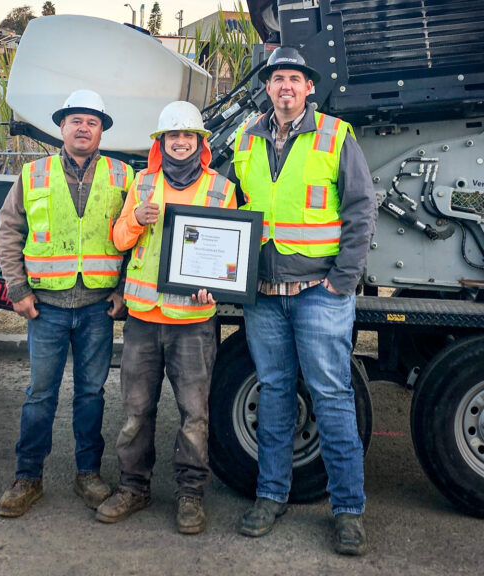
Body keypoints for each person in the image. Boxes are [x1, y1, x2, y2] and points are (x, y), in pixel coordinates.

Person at [230, 47, 377, 555]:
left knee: (332, 399)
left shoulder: (336, 135)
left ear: (308, 87)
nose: (285, 87)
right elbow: (227, 207)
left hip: (319, 293)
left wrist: (343, 279)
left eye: (294, 78)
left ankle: (348, 510)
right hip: (264, 297)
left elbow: (361, 209)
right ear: (268, 88)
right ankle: (270, 497)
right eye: (277, 79)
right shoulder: (246, 139)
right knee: (274, 395)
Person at [95, 101, 236, 534]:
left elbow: (228, 252)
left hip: (193, 321)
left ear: (200, 143)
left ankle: (190, 495)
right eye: (171, 137)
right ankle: (133, 488)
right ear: (160, 143)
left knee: (194, 414)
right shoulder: (142, 184)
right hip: (143, 318)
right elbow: (118, 239)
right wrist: (135, 219)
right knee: (136, 412)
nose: (179, 143)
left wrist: (214, 281)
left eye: (187, 137)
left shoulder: (220, 189)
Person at [0, 89, 133, 517]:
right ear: (62, 128)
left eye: (92, 122)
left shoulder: (122, 175)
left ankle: (87, 474)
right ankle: (27, 477)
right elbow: (7, 231)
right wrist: (18, 290)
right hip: (47, 307)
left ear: (101, 130)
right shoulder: (33, 174)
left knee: (91, 394)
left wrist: (122, 291)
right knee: (40, 394)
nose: (83, 128)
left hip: (97, 307)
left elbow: (136, 241)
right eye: (76, 121)